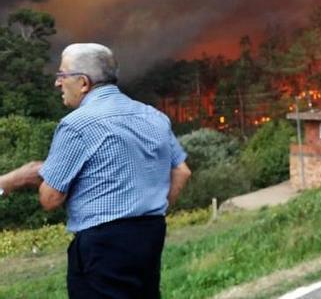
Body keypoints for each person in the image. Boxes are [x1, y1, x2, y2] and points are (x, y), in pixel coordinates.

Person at [14, 43, 191, 298]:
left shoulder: (76, 125)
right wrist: (152, 209)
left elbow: (51, 199)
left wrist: (31, 177)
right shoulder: (153, 116)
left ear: (83, 83)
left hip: (102, 243)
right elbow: (182, 171)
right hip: (150, 233)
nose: (57, 83)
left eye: (61, 75)